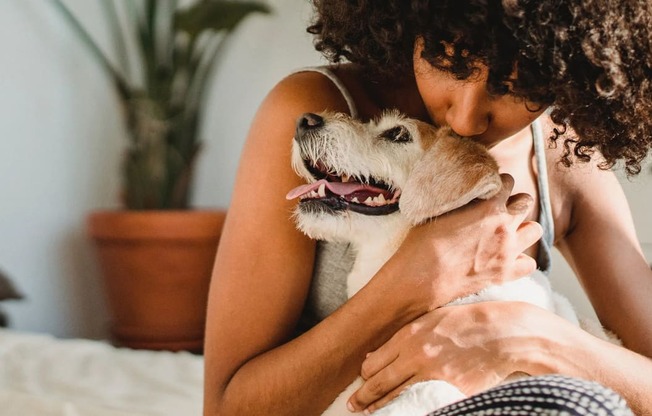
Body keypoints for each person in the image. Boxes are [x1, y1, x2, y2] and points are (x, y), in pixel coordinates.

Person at [203, 1, 652, 415]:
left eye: (518, 88)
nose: (465, 119)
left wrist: (526, 333)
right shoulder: (316, 114)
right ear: (411, 23)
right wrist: (419, 277)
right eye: (448, 62)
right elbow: (227, 407)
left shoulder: (563, 158)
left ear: (566, 76)